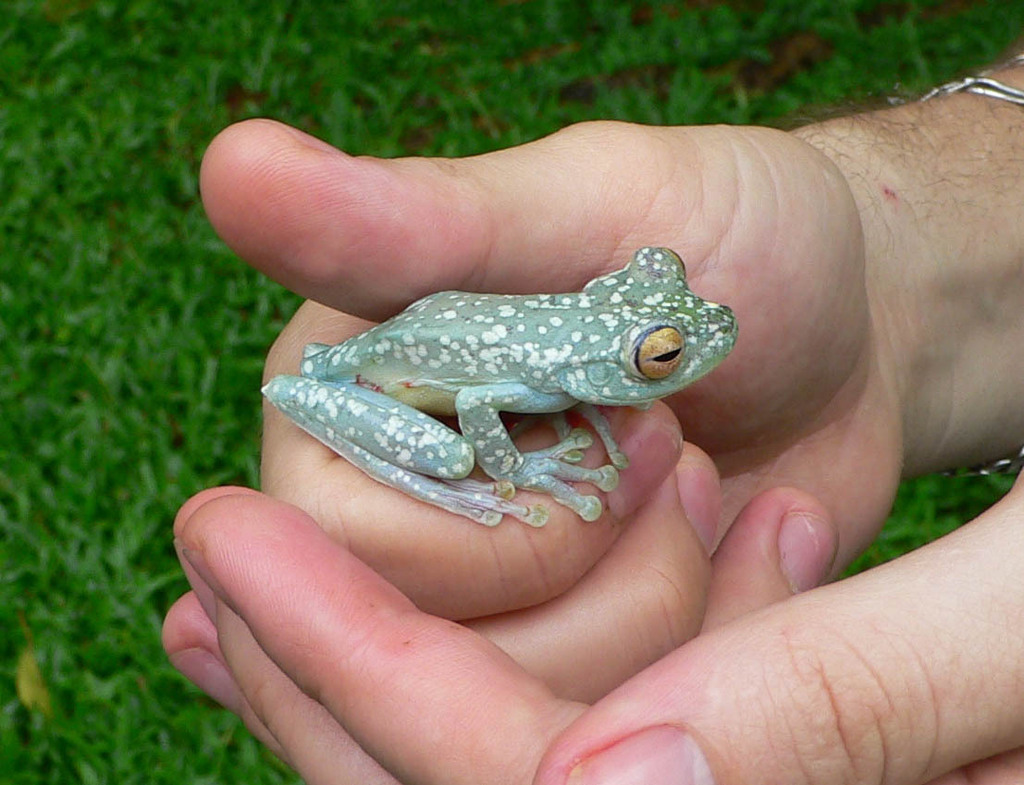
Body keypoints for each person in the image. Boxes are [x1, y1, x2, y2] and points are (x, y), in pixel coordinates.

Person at [162, 49, 1024, 785]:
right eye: (661, 355)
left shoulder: (579, 357)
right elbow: (470, 400)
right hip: (371, 381)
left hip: (444, 352)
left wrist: (883, 284)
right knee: (462, 464)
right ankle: (469, 487)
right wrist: (515, 471)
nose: (693, 346)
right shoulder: (551, 378)